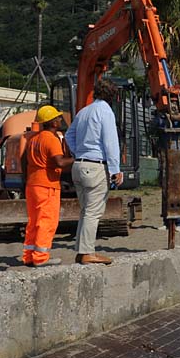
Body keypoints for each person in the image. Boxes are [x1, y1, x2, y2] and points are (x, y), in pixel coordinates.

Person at [65, 79, 123, 265]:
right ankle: (88, 252)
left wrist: (78, 152)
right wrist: (115, 170)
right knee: (93, 213)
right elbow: (110, 142)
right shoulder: (105, 111)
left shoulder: (84, 111)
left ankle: (81, 252)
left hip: (78, 165)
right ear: (112, 96)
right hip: (95, 166)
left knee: (85, 211)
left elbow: (68, 135)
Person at [22, 105, 74, 267]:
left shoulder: (33, 139)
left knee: (34, 221)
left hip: (32, 184)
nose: (60, 119)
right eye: (57, 118)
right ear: (53, 123)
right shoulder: (51, 139)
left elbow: (24, 160)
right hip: (47, 185)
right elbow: (60, 162)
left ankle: (29, 256)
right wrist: (78, 159)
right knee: (47, 221)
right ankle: (41, 257)